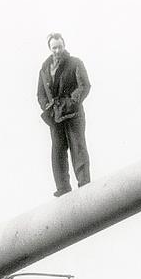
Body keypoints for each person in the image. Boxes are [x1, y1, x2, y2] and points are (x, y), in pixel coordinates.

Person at [36, 32, 91, 197]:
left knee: (78, 148)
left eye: (60, 47)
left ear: (64, 45)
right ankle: (63, 188)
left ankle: (84, 184)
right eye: (54, 48)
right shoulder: (44, 68)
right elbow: (40, 93)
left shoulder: (75, 63)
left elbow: (84, 86)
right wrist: (47, 107)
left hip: (73, 114)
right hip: (55, 117)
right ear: (50, 48)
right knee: (58, 153)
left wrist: (71, 102)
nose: (57, 51)